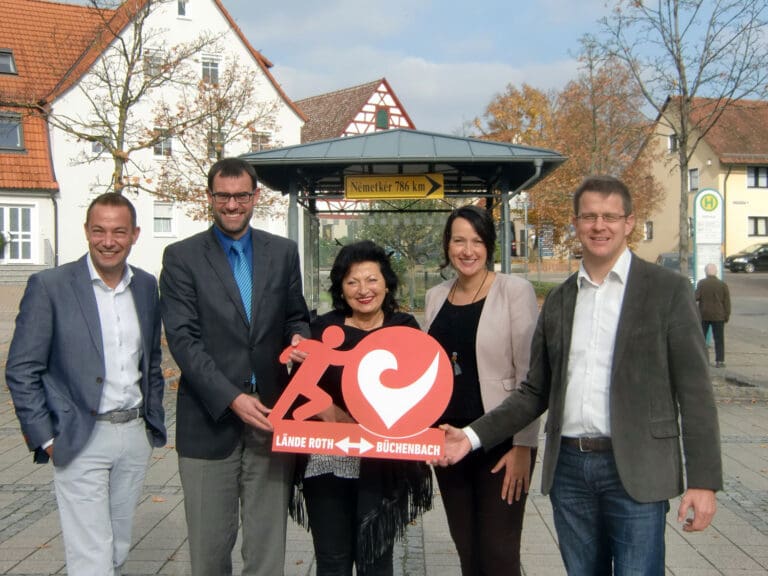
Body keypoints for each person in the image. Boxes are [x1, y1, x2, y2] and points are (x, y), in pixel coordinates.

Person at [439, 175, 723, 574]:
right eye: (589, 216)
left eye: (610, 216)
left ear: (629, 223)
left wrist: (703, 482)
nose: (599, 226)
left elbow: (695, 394)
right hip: (570, 469)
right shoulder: (560, 298)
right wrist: (469, 437)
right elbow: (534, 390)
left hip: (638, 467)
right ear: (576, 224)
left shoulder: (667, 290)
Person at [159, 157, 310, 576]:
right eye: (222, 196)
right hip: (209, 419)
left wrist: (299, 338)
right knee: (208, 554)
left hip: (272, 416)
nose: (231, 205)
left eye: (240, 195)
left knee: (266, 550)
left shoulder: (282, 252)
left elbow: (296, 315)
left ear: (255, 197)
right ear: (209, 197)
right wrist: (232, 397)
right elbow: (184, 342)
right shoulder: (181, 257)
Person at [5, 193, 167, 575]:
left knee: (117, 546)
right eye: (99, 231)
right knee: (91, 556)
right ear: (86, 232)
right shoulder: (50, 286)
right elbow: (21, 369)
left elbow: (152, 360)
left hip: (132, 434)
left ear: (135, 235)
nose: (107, 241)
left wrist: (151, 418)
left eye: (118, 232)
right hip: (78, 435)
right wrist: (46, 436)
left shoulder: (145, 286)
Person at [289, 240, 433, 576]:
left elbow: (421, 395)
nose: (363, 289)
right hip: (328, 460)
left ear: (386, 283)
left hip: (381, 463)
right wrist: (334, 414)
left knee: (375, 561)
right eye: (352, 281)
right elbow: (300, 392)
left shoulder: (405, 328)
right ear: (341, 287)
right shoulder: (322, 330)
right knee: (333, 560)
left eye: (371, 279)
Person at [423, 205, 539, 576]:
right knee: (468, 551)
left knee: (499, 555)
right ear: (447, 245)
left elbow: (530, 375)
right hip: (449, 442)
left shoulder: (515, 291)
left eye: (476, 241)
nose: (467, 250)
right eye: (459, 240)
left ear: (488, 246)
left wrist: (524, 446)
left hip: (500, 440)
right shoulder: (436, 296)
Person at [696, 263, 731, 368]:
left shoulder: (702, 283)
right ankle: (720, 361)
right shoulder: (722, 285)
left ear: (706, 272)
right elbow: (727, 302)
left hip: (704, 315)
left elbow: (696, 297)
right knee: (719, 339)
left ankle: (702, 360)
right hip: (719, 316)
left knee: (701, 339)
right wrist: (727, 315)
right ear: (716, 272)